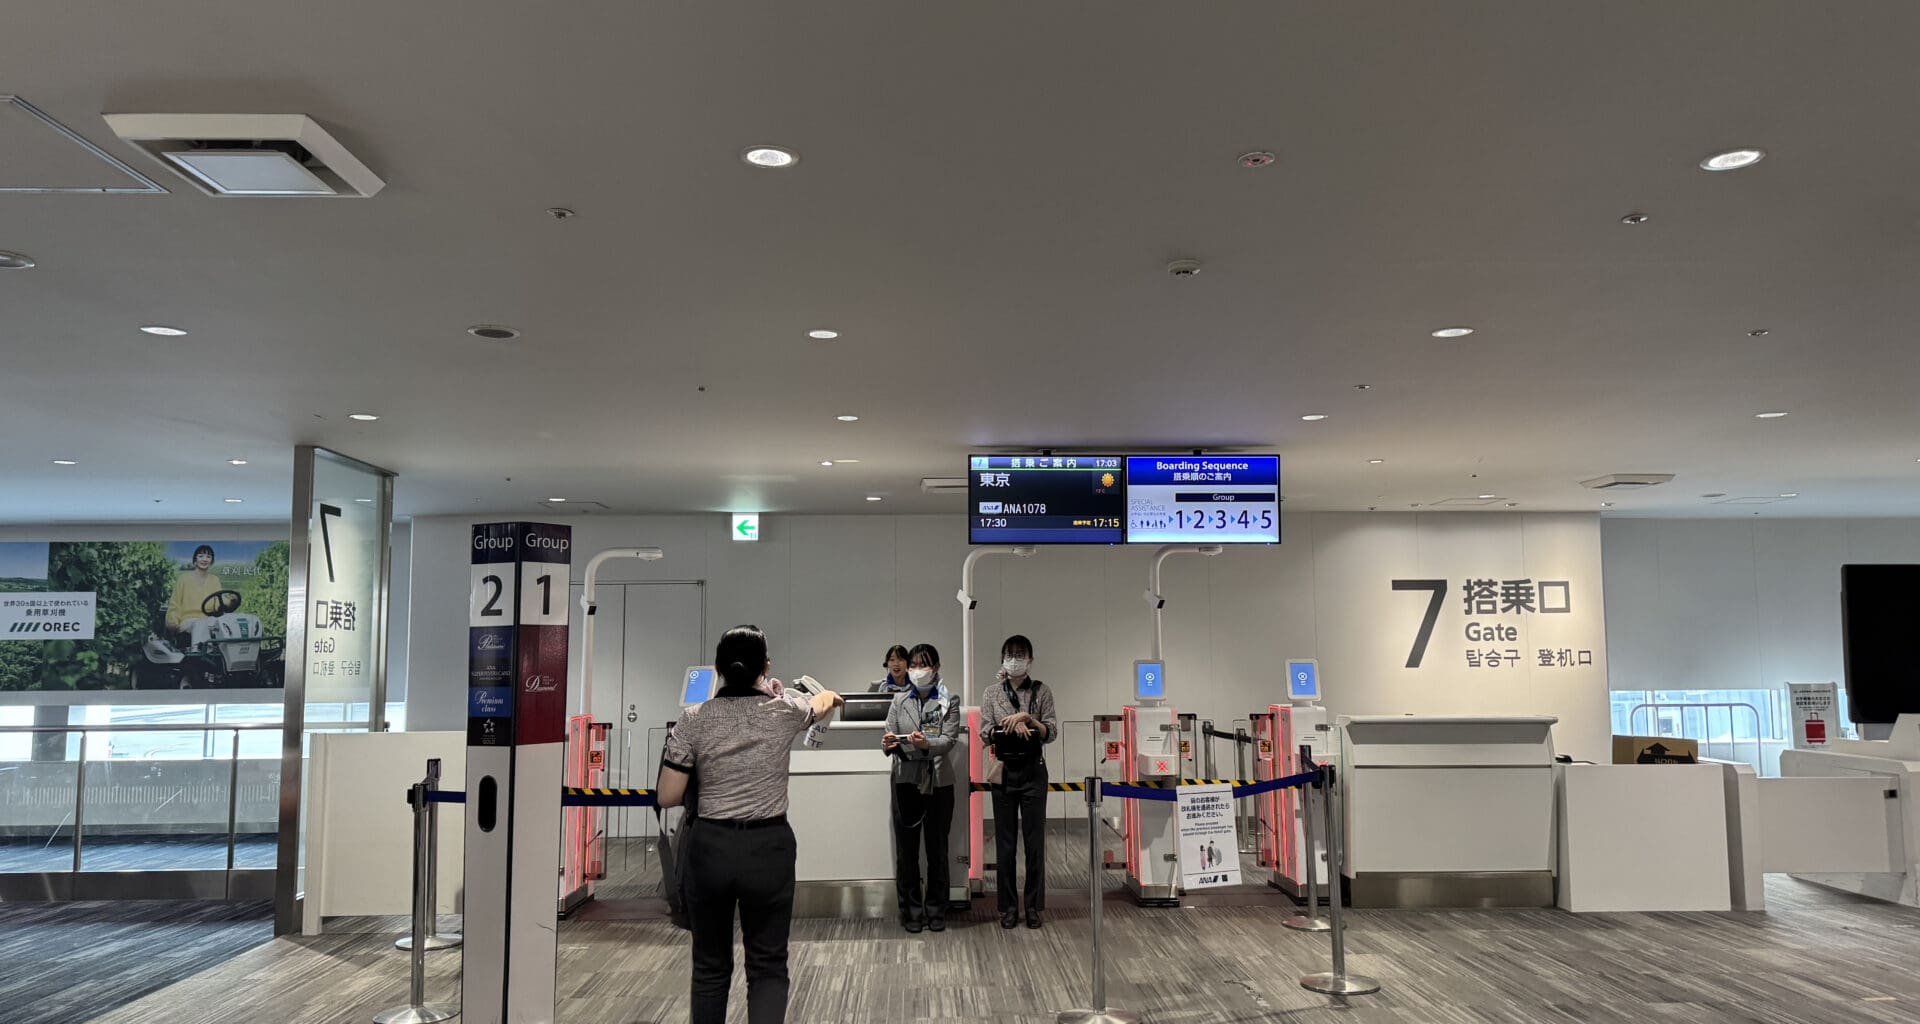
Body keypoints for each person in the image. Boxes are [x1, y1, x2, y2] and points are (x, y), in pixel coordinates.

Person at [656, 625, 844, 1024]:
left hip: (710, 848)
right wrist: (810, 695)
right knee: (768, 965)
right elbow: (824, 701)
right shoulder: (784, 712)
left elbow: (668, 795)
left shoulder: (694, 719)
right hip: (768, 848)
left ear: (719, 669)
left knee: (709, 966)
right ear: (765, 667)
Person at [979, 634, 1059, 929]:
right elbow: (984, 731)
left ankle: (1034, 906)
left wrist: (1028, 719)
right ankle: (1008, 907)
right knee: (1005, 843)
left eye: (1021, 654)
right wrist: (1008, 726)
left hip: (1034, 772)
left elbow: (1051, 731)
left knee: (1035, 842)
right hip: (1003, 772)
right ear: (1002, 659)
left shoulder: (1042, 692)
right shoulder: (991, 693)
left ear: (1031, 659)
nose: (1015, 659)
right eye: (1010, 654)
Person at [880, 642, 960, 932]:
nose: (916, 670)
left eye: (922, 665)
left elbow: (948, 740)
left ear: (936, 668)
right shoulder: (899, 700)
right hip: (905, 779)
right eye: (913, 665)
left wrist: (927, 744)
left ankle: (937, 909)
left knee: (937, 849)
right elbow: (888, 731)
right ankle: (911, 911)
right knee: (907, 851)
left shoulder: (948, 700)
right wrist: (888, 743)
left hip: (938, 782)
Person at [164, 544, 224, 634]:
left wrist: (231, 602)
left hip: (209, 620)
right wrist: (172, 621)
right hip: (188, 621)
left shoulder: (215, 580)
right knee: (199, 625)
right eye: (201, 556)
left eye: (208, 557)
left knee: (222, 625)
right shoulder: (183, 579)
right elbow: (175, 603)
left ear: (211, 561)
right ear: (195, 560)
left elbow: (220, 600)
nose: (204, 559)